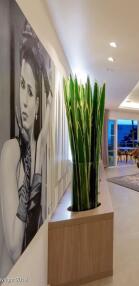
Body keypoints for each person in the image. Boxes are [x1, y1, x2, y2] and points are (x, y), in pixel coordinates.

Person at [0, 21, 52, 276]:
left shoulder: (41, 151)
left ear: (38, 103)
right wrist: (32, 162)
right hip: (15, 276)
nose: (23, 99)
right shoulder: (11, 151)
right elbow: (13, 248)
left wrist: (39, 150)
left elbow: (41, 225)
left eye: (30, 91)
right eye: (21, 85)